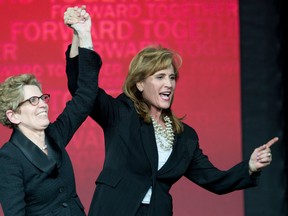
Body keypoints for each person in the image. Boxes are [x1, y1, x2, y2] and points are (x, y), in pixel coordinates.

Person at [65, 6, 279, 216]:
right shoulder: (121, 114)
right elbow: (80, 88)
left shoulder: (185, 137)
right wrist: (80, 35)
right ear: (139, 84)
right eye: (160, 77)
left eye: (172, 77)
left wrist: (250, 166)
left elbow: (214, 180)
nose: (168, 84)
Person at [0, 9, 101, 216]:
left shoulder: (54, 135)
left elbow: (85, 96)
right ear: (13, 116)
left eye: (42, 98)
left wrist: (83, 34)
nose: (43, 104)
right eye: (32, 101)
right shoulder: (9, 157)